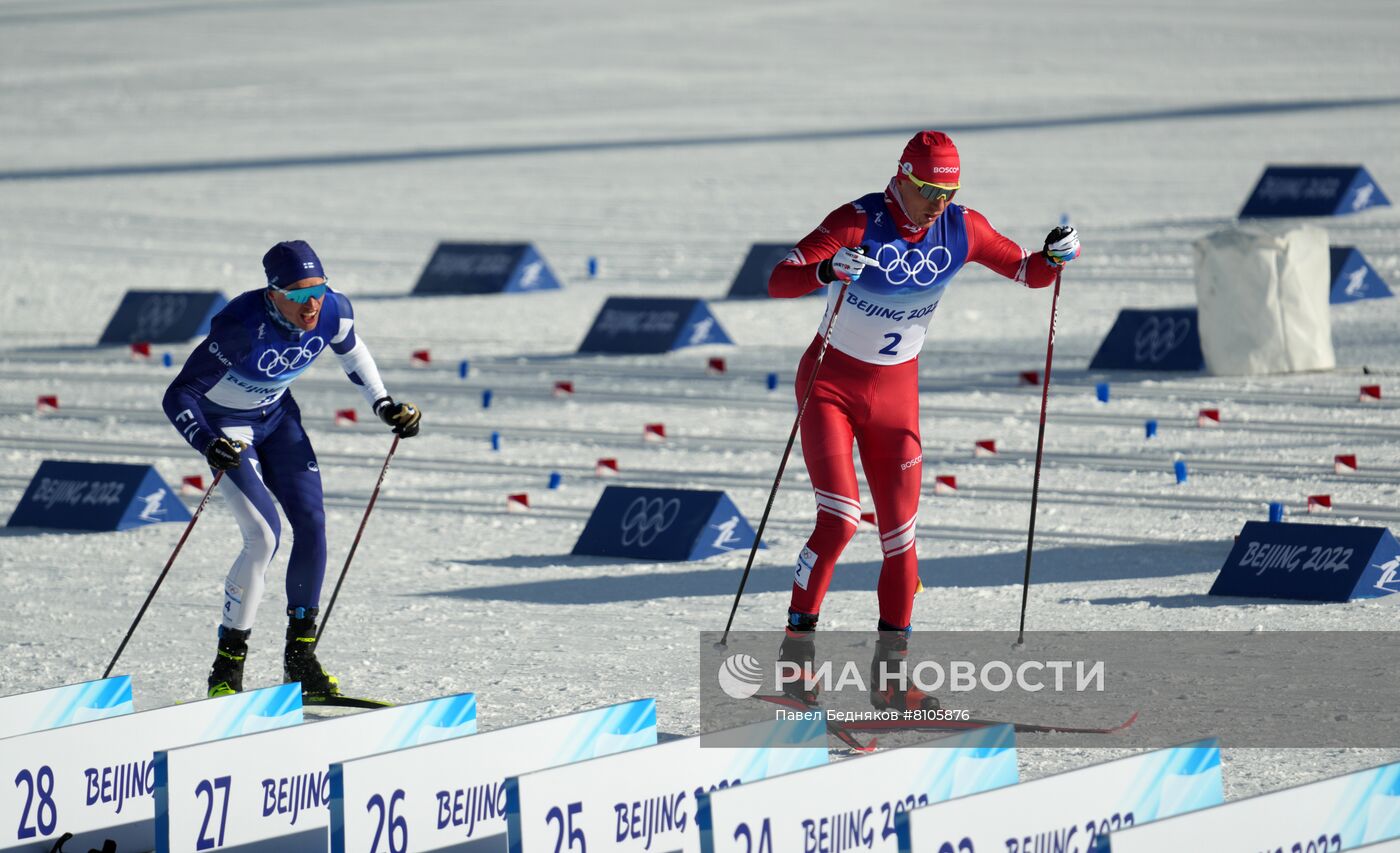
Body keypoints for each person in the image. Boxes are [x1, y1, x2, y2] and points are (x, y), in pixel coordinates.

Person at [768, 131, 1080, 712]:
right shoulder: (856, 221)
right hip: (829, 386)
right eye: (930, 190)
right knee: (839, 520)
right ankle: (795, 667)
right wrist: (826, 270)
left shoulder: (963, 228)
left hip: (895, 397)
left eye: (949, 191)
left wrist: (1055, 257)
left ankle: (890, 682)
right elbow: (778, 278)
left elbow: (1029, 273)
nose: (940, 202)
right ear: (903, 178)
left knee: (902, 540)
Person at [162, 240, 422, 698]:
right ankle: (226, 670)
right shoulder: (241, 327)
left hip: (279, 420)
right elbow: (179, 394)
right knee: (263, 537)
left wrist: (384, 405)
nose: (312, 304)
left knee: (313, 525)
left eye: (318, 289)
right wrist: (206, 442)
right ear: (273, 292)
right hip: (227, 425)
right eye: (299, 295)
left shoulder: (333, 310)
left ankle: (300, 662)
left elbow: (352, 351)